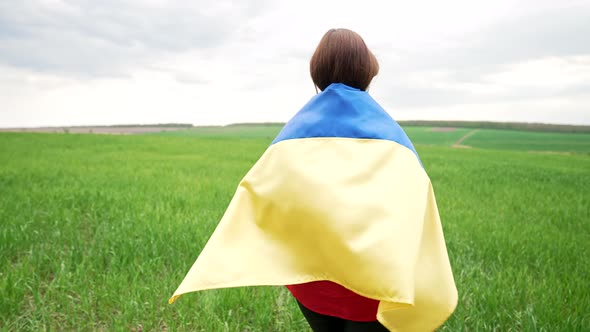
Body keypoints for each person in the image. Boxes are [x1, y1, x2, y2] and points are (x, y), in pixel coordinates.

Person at [169, 28, 457, 332]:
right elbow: (414, 205)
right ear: (368, 73)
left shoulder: (294, 134)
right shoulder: (392, 138)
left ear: (316, 74)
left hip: (311, 287)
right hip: (372, 289)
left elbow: (261, 192)